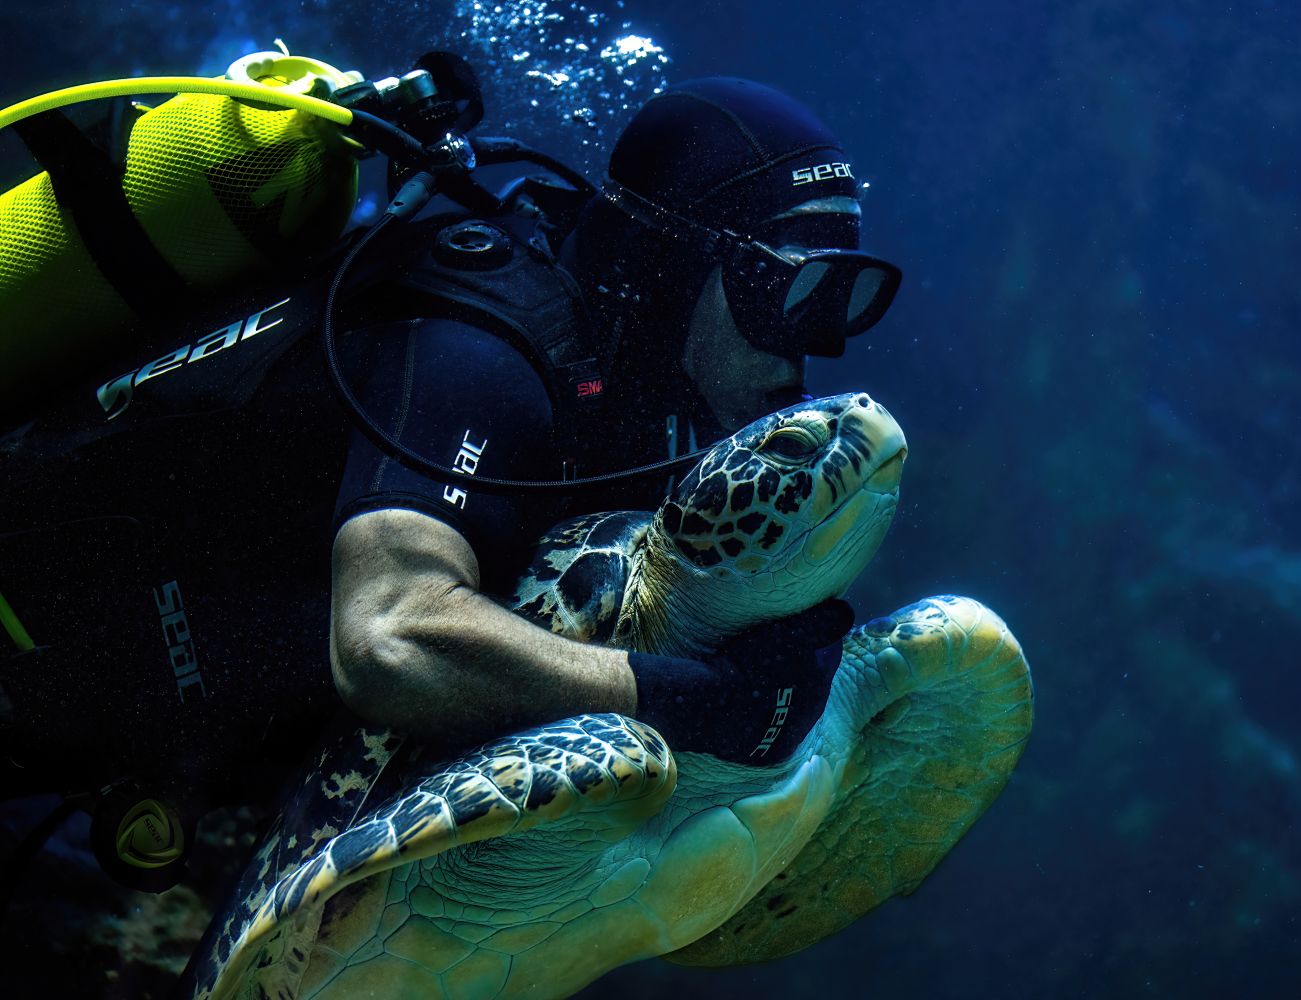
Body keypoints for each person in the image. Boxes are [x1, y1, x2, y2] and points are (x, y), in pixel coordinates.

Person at [0, 77, 900, 867]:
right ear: (668, 267)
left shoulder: (622, 394)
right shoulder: (478, 352)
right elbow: (389, 639)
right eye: (786, 288)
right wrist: (697, 705)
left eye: (846, 296)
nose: (816, 343)